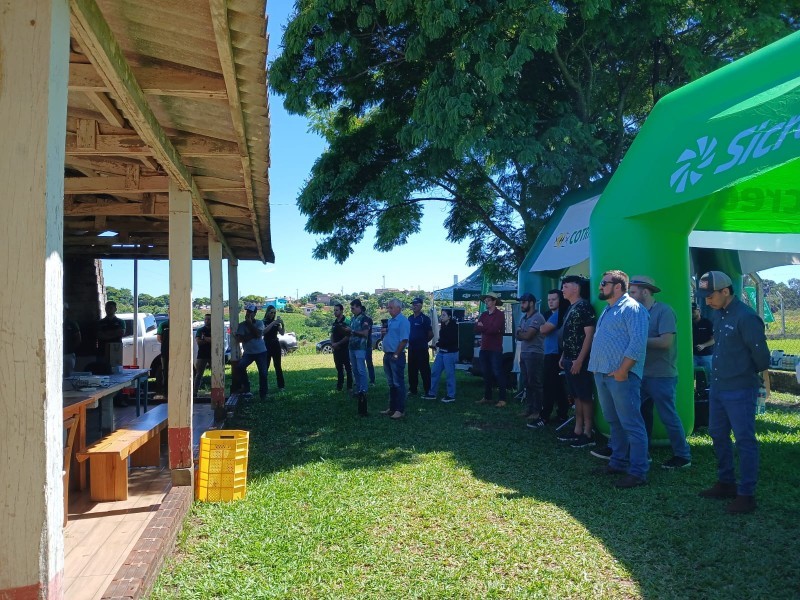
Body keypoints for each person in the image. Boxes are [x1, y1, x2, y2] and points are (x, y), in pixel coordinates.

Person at [697, 270, 770, 514]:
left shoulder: (746, 317)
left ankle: (746, 494)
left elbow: (761, 357)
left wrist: (745, 374)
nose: (706, 300)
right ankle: (726, 482)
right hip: (719, 386)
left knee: (745, 440)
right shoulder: (719, 315)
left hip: (739, 388)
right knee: (717, 433)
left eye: (710, 295)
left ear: (726, 291)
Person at [588, 269, 650, 488]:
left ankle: (638, 472)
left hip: (621, 376)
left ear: (617, 286)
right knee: (614, 421)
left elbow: (638, 342)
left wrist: (623, 370)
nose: (600, 287)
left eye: (603, 283)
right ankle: (618, 463)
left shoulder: (633, 308)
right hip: (602, 373)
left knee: (632, 424)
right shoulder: (609, 309)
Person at [628, 276, 692, 469]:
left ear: (645, 292)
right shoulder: (636, 313)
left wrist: (637, 341)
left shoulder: (664, 311)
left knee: (668, 416)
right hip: (640, 373)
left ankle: (683, 456)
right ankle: (643, 453)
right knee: (640, 414)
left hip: (662, 375)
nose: (629, 296)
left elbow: (666, 342)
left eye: (633, 292)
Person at [557, 276, 596, 447]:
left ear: (576, 288)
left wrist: (580, 360)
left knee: (585, 396)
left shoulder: (584, 307)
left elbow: (589, 334)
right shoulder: (571, 307)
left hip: (580, 360)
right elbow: (569, 334)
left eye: (565, 286)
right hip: (568, 359)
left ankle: (588, 432)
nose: (562, 290)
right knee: (576, 395)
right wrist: (563, 355)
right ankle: (577, 429)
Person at [516, 293, 546, 429]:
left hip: (535, 354)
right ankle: (529, 408)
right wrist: (521, 334)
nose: (522, 305)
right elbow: (517, 334)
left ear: (531, 303)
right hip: (524, 353)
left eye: (524, 302)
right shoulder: (523, 318)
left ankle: (537, 410)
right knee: (527, 382)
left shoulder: (538, 317)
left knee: (535, 383)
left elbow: (527, 335)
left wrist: (521, 334)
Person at [540, 290, 570, 424]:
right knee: (557, 387)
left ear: (560, 300)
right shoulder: (553, 315)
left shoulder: (559, 314)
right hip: (551, 353)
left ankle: (544, 416)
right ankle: (562, 414)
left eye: (554, 299)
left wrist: (540, 326)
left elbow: (543, 330)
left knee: (549, 386)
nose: (551, 302)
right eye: (549, 300)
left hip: (554, 354)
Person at [474, 292, 508, 407]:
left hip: (495, 349)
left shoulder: (500, 314)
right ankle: (487, 397)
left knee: (498, 372)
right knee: (486, 373)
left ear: (494, 301)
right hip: (484, 348)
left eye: (488, 300)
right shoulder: (484, 314)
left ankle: (502, 399)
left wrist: (483, 327)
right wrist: (484, 327)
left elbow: (494, 329)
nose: (486, 302)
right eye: (485, 300)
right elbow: (476, 328)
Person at [380, 298, 410, 419]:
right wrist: (383, 333)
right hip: (387, 354)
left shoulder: (403, 321)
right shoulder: (391, 321)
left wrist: (396, 354)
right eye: (388, 307)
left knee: (398, 383)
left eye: (391, 307)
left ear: (399, 308)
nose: (389, 309)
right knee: (391, 383)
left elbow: (404, 340)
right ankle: (392, 408)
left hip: (396, 355)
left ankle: (400, 410)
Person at [234, 303, 268, 401]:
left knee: (263, 373)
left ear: (255, 313)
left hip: (261, 352)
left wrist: (249, 325)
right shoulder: (241, 325)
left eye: (251, 312)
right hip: (248, 353)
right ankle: (246, 388)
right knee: (240, 367)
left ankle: (263, 394)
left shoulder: (259, 323)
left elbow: (258, 334)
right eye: (247, 311)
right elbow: (240, 339)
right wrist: (253, 334)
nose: (248, 314)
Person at [423, 309, 458, 402]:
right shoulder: (443, 326)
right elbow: (442, 339)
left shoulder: (454, 327)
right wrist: (438, 344)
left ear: (449, 317)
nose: (441, 317)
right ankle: (432, 393)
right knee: (434, 372)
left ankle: (451, 395)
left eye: (443, 315)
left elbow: (451, 340)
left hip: (450, 353)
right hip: (441, 352)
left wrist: (438, 344)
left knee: (449, 374)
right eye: (441, 315)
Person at [346, 299, 372, 416]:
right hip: (352, 347)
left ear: (358, 307)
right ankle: (358, 389)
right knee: (355, 369)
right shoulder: (353, 319)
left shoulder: (365, 319)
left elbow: (365, 333)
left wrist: (352, 331)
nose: (351, 310)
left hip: (361, 347)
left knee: (361, 369)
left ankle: (364, 390)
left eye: (353, 308)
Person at [407, 297, 433, 395]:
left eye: (416, 304)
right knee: (412, 370)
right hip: (411, 349)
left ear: (421, 305)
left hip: (422, 349)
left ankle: (428, 390)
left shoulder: (424, 319)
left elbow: (431, 334)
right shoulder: (409, 318)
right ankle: (413, 389)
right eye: (413, 304)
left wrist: (423, 342)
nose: (414, 306)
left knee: (424, 370)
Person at [262, 305, 286, 392]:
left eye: (274, 313)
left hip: (275, 344)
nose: (273, 314)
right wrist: (273, 323)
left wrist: (282, 324)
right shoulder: (264, 322)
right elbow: (263, 332)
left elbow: (282, 333)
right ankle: (264, 387)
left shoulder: (276, 323)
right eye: (271, 312)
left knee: (278, 366)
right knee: (266, 366)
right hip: (267, 344)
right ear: (267, 312)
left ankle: (281, 386)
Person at [330, 303, 353, 392]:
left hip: (345, 348)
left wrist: (338, 344)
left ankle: (349, 387)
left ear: (342, 310)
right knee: (339, 368)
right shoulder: (334, 323)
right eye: (334, 310)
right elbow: (332, 334)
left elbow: (348, 336)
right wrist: (333, 344)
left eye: (337, 310)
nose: (335, 312)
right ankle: (339, 386)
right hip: (336, 349)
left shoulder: (347, 321)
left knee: (348, 368)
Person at [692, 302, 714, 372]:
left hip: (706, 355)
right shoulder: (687, 323)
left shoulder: (707, 322)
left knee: (708, 375)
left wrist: (703, 345)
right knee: (691, 375)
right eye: (690, 312)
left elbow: (714, 339)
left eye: (693, 311)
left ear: (699, 311)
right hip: (692, 355)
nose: (691, 314)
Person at [194, 313, 212, 394]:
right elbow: (198, 342)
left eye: (208, 319)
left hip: (213, 355)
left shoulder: (214, 329)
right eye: (205, 319)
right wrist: (208, 339)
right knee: (198, 374)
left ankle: (214, 391)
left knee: (216, 374)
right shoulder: (200, 330)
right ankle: (195, 392)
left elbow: (215, 340)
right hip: (202, 355)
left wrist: (204, 338)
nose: (206, 321)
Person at [63, 302, 81, 377]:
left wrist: (71, 349)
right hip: (56, 354)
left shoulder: (72, 323)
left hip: (69, 354)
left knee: (69, 375)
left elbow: (78, 339)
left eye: (64, 309)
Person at [156, 317, 171, 395]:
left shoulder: (179, 323)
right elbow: (159, 338)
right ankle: (165, 392)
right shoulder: (163, 325)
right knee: (165, 371)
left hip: (177, 353)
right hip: (165, 352)